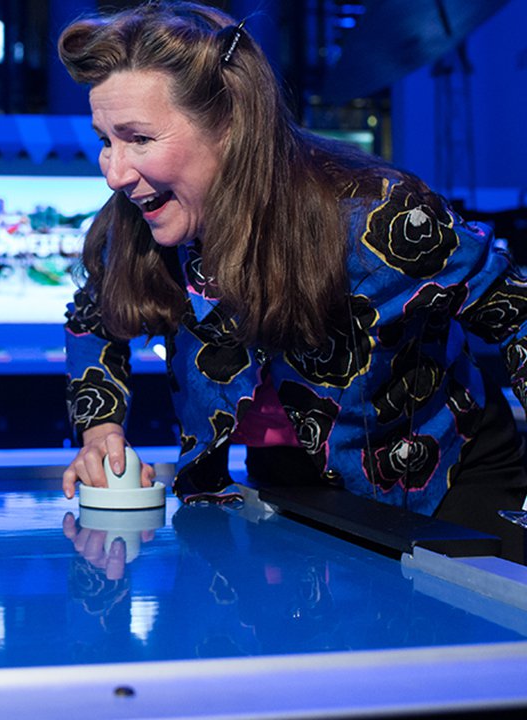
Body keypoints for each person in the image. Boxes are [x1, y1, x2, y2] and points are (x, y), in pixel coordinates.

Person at [57, 1, 527, 562]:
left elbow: (511, 307)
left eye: (138, 138)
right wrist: (99, 428)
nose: (114, 172)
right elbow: (93, 316)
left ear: (229, 126)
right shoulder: (136, 222)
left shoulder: (377, 217)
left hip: (445, 482)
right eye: (105, 140)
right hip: (284, 481)